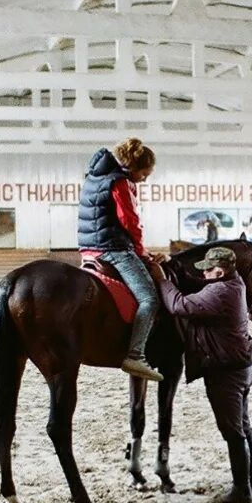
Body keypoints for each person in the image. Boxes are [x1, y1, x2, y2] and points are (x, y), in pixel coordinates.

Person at [154, 246, 252, 503]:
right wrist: (173, 265)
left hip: (225, 372)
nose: (205, 273)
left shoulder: (220, 293)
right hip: (239, 367)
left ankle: (242, 490)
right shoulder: (234, 282)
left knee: (233, 432)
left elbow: (179, 305)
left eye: (209, 269)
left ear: (219, 271)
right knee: (243, 428)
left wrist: (162, 280)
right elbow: (197, 283)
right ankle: (251, 482)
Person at [77, 138, 166, 382]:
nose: (144, 179)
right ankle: (135, 355)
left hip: (88, 250)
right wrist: (142, 252)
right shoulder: (120, 182)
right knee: (149, 299)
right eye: (144, 174)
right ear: (134, 168)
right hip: (113, 249)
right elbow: (130, 222)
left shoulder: (94, 177)